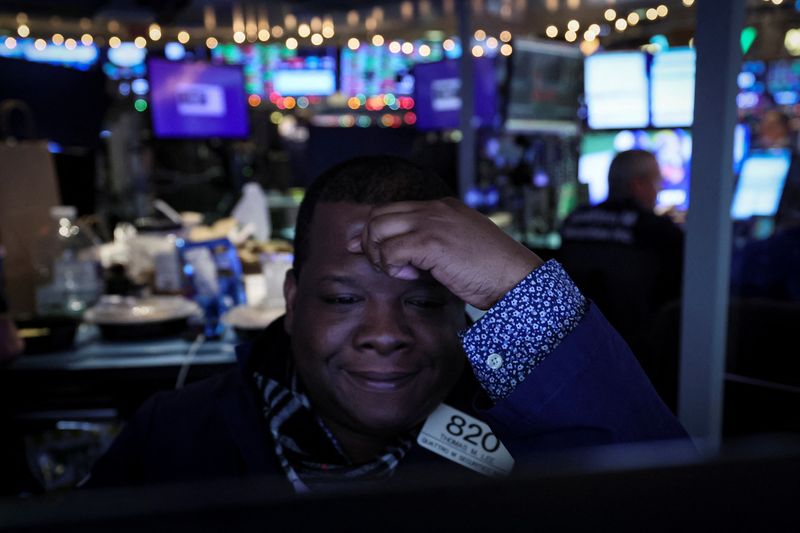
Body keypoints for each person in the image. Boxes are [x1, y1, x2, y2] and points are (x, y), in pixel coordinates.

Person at [85, 155, 687, 492]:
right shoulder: (176, 437)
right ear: (292, 303)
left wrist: (523, 289)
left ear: (465, 309)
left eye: (424, 303)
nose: (384, 332)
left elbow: (677, 506)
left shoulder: (529, 442)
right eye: (343, 300)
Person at [557, 150, 684, 409]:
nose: (659, 190)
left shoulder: (575, 220)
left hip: (575, 348)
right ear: (638, 184)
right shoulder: (655, 229)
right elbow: (679, 292)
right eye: (657, 182)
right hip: (639, 355)